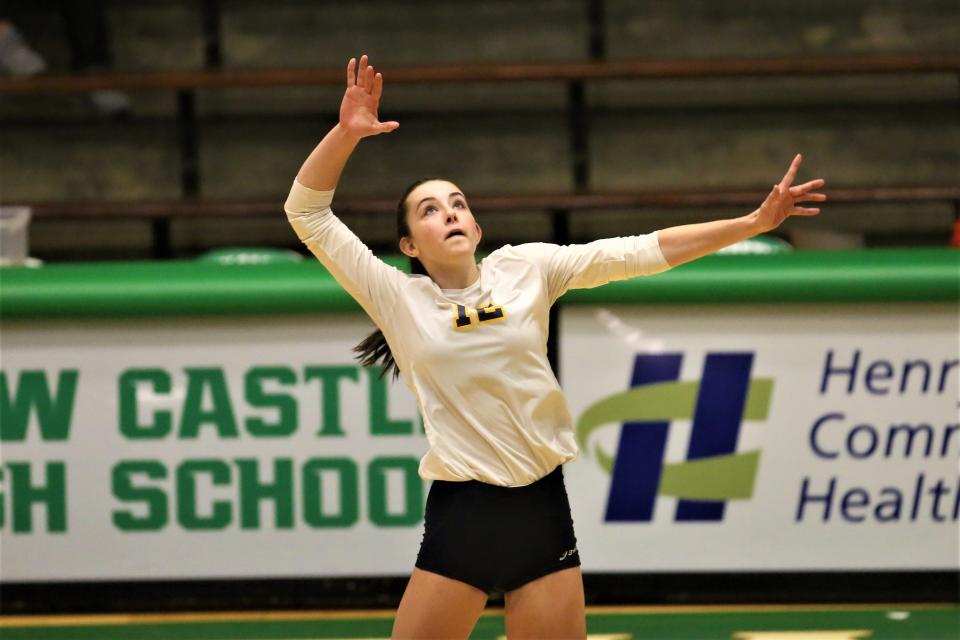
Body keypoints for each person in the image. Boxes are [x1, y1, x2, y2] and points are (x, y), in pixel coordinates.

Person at [284, 54, 826, 639]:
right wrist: (345, 134)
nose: (450, 214)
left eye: (458, 203)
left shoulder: (527, 267)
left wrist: (749, 223)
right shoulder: (395, 297)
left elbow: (640, 251)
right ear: (410, 245)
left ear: (478, 226)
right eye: (430, 210)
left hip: (541, 509)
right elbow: (306, 212)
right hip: (464, 514)